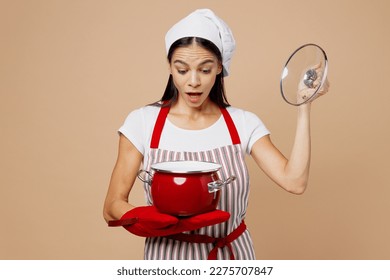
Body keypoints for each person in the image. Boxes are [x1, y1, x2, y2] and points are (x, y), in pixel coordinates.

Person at [103, 8, 329, 260]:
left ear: (220, 67)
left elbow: (294, 181)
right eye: (182, 69)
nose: (193, 81)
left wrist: (303, 106)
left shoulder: (242, 123)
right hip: (167, 258)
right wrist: (150, 219)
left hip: (232, 257)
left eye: (205, 69)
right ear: (170, 67)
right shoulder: (143, 122)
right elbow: (112, 205)